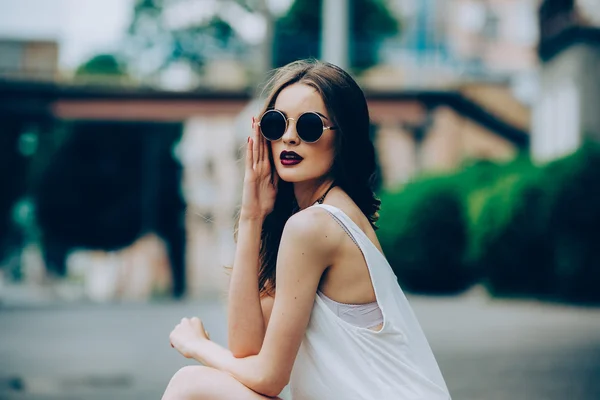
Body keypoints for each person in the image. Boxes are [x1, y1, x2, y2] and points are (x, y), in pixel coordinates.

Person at [163, 59, 451, 400]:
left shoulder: (314, 226)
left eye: (310, 127)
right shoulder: (316, 219)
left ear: (342, 137)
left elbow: (269, 378)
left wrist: (198, 346)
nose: (288, 137)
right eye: (276, 123)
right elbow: (247, 350)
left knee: (190, 384)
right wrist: (251, 216)